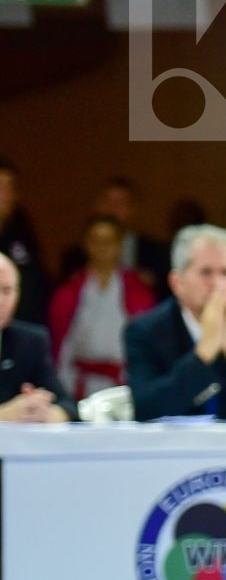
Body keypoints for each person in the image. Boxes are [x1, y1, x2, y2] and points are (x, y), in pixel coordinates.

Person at [124, 225, 226, 422]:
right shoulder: (145, 332)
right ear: (177, 283)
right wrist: (204, 352)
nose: (218, 284)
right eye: (206, 272)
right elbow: (145, 408)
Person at [49, 215, 157, 402]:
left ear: (119, 245)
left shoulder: (139, 291)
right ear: (86, 244)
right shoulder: (68, 293)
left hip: (125, 385)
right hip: (79, 384)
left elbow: (148, 345)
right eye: (96, 240)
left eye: (109, 241)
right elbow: (60, 346)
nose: (102, 247)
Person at [62, 177, 170, 297]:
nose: (111, 209)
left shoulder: (155, 252)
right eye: (106, 201)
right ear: (96, 205)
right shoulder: (74, 257)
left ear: (133, 209)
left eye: (120, 204)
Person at [0, 252, 73, 424]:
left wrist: (45, 413)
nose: (1, 301)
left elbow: (67, 404)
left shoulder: (30, 342)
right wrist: (5, 414)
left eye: (7, 290)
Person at [0, 158, 53, 326]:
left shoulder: (23, 232)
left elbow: (37, 286)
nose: (4, 195)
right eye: (0, 186)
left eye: (10, 188)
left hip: (16, 332)